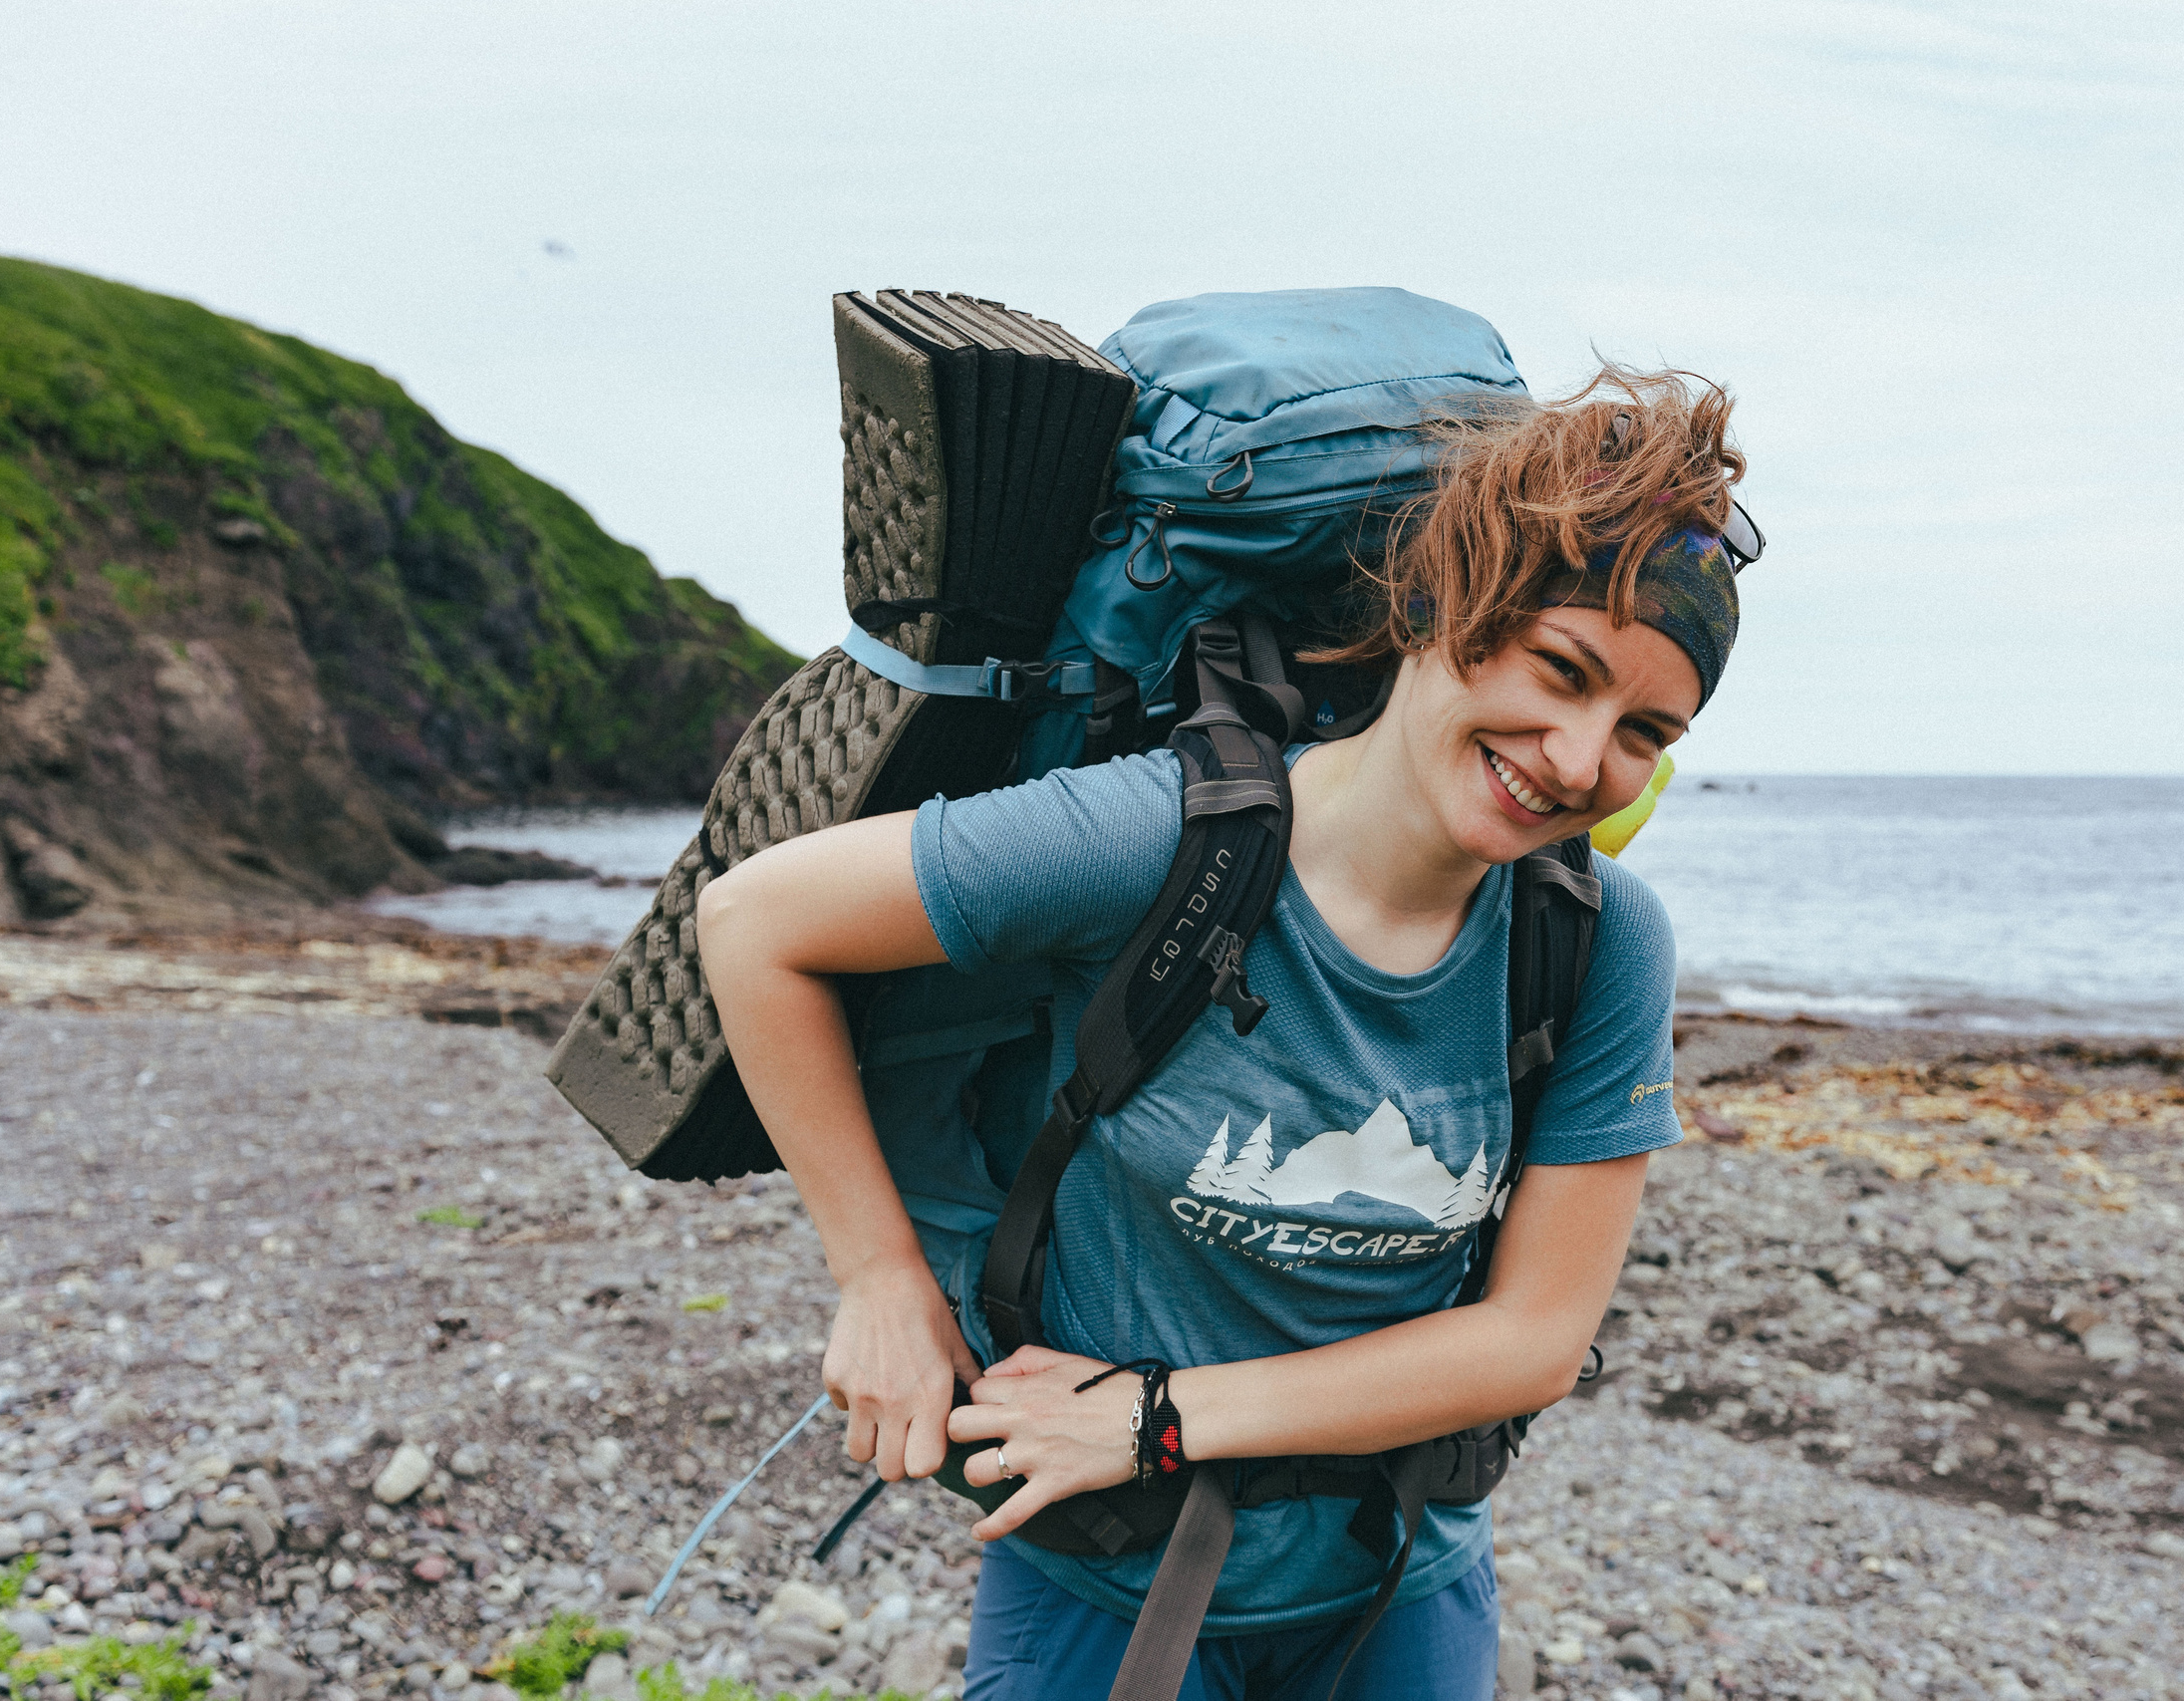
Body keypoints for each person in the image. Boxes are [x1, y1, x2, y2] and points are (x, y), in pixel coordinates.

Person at [697, 364, 1745, 1701]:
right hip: (1108, 1574)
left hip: (1395, 1572)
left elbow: (1532, 1339)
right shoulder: (1159, 844)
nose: (1579, 755)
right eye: (1561, 669)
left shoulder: (1599, 943)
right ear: (1441, 609)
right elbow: (754, 926)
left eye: (1646, 730)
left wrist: (1162, 1419)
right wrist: (878, 1280)